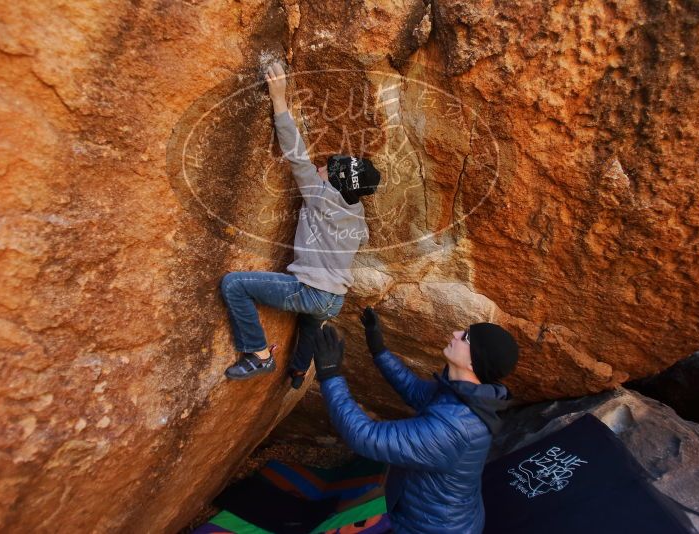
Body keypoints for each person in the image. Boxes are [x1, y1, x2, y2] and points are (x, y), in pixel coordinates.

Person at [221, 62, 381, 387]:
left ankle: (258, 355)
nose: (321, 166)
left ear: (335, 183)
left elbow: (296, 154)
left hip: (312, 291)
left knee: (234, 285)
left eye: (328, 168)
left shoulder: (320, 194)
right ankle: (297, 371)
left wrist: (278, 99)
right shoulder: (357, 211)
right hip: (334, 299)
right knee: (311, 323)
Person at [311, 307, 519, 533]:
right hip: (442, 515)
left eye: (466, 337)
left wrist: (330, 375)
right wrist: (379, 350)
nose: (456, 333)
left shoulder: (454, 428)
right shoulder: (468, 395)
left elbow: (366, 438)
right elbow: (415, 391)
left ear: (474, 363)